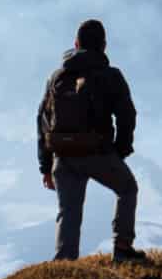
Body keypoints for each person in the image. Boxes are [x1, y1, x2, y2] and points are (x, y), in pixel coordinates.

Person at [37, 18, 146, 262]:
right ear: (104, 46)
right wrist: (120, 150)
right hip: (97, 151)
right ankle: (122, 249)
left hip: (63, 155)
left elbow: (42, 120)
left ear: (76, 44)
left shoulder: (56, 77)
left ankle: (65, 265)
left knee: (69, 211)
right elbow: (127, 115)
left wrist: (46, 166)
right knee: (127, 189)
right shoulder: (111, 75)